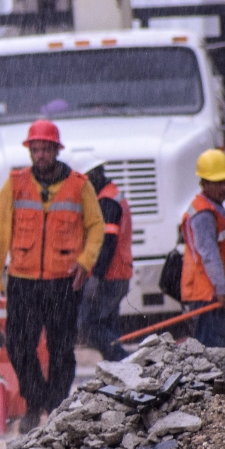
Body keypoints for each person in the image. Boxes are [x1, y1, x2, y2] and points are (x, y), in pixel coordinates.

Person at [0, 120, 103, 433]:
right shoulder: (15, 183)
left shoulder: (79, 185)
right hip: (23, 280)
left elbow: (96, 228)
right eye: (35, 149)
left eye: (45, 149)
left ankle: (56, 407)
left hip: (63, 281)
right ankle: (34, 402)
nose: (39, 155)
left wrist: (85, 261)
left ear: (55, 150)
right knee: (18, 345)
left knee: (61, 348)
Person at [71, 153, 132, 361]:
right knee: (107, 325)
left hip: (108, 276)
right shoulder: (111, 196)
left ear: (91, 176)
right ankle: (119, 373)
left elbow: (107, 243)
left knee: (87, 325)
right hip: (118, 274)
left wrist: (96, 276)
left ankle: (124, 362)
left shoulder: (106, 202)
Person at [181, 149, 225, 352]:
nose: (224, 188)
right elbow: (209, 255)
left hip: (217, 293)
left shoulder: (216, 207)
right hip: (208, 294)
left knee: (223, 355)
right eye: (218, 183)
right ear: (204, 183)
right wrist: (222, 290)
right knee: (214, 355)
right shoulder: (203, 213)